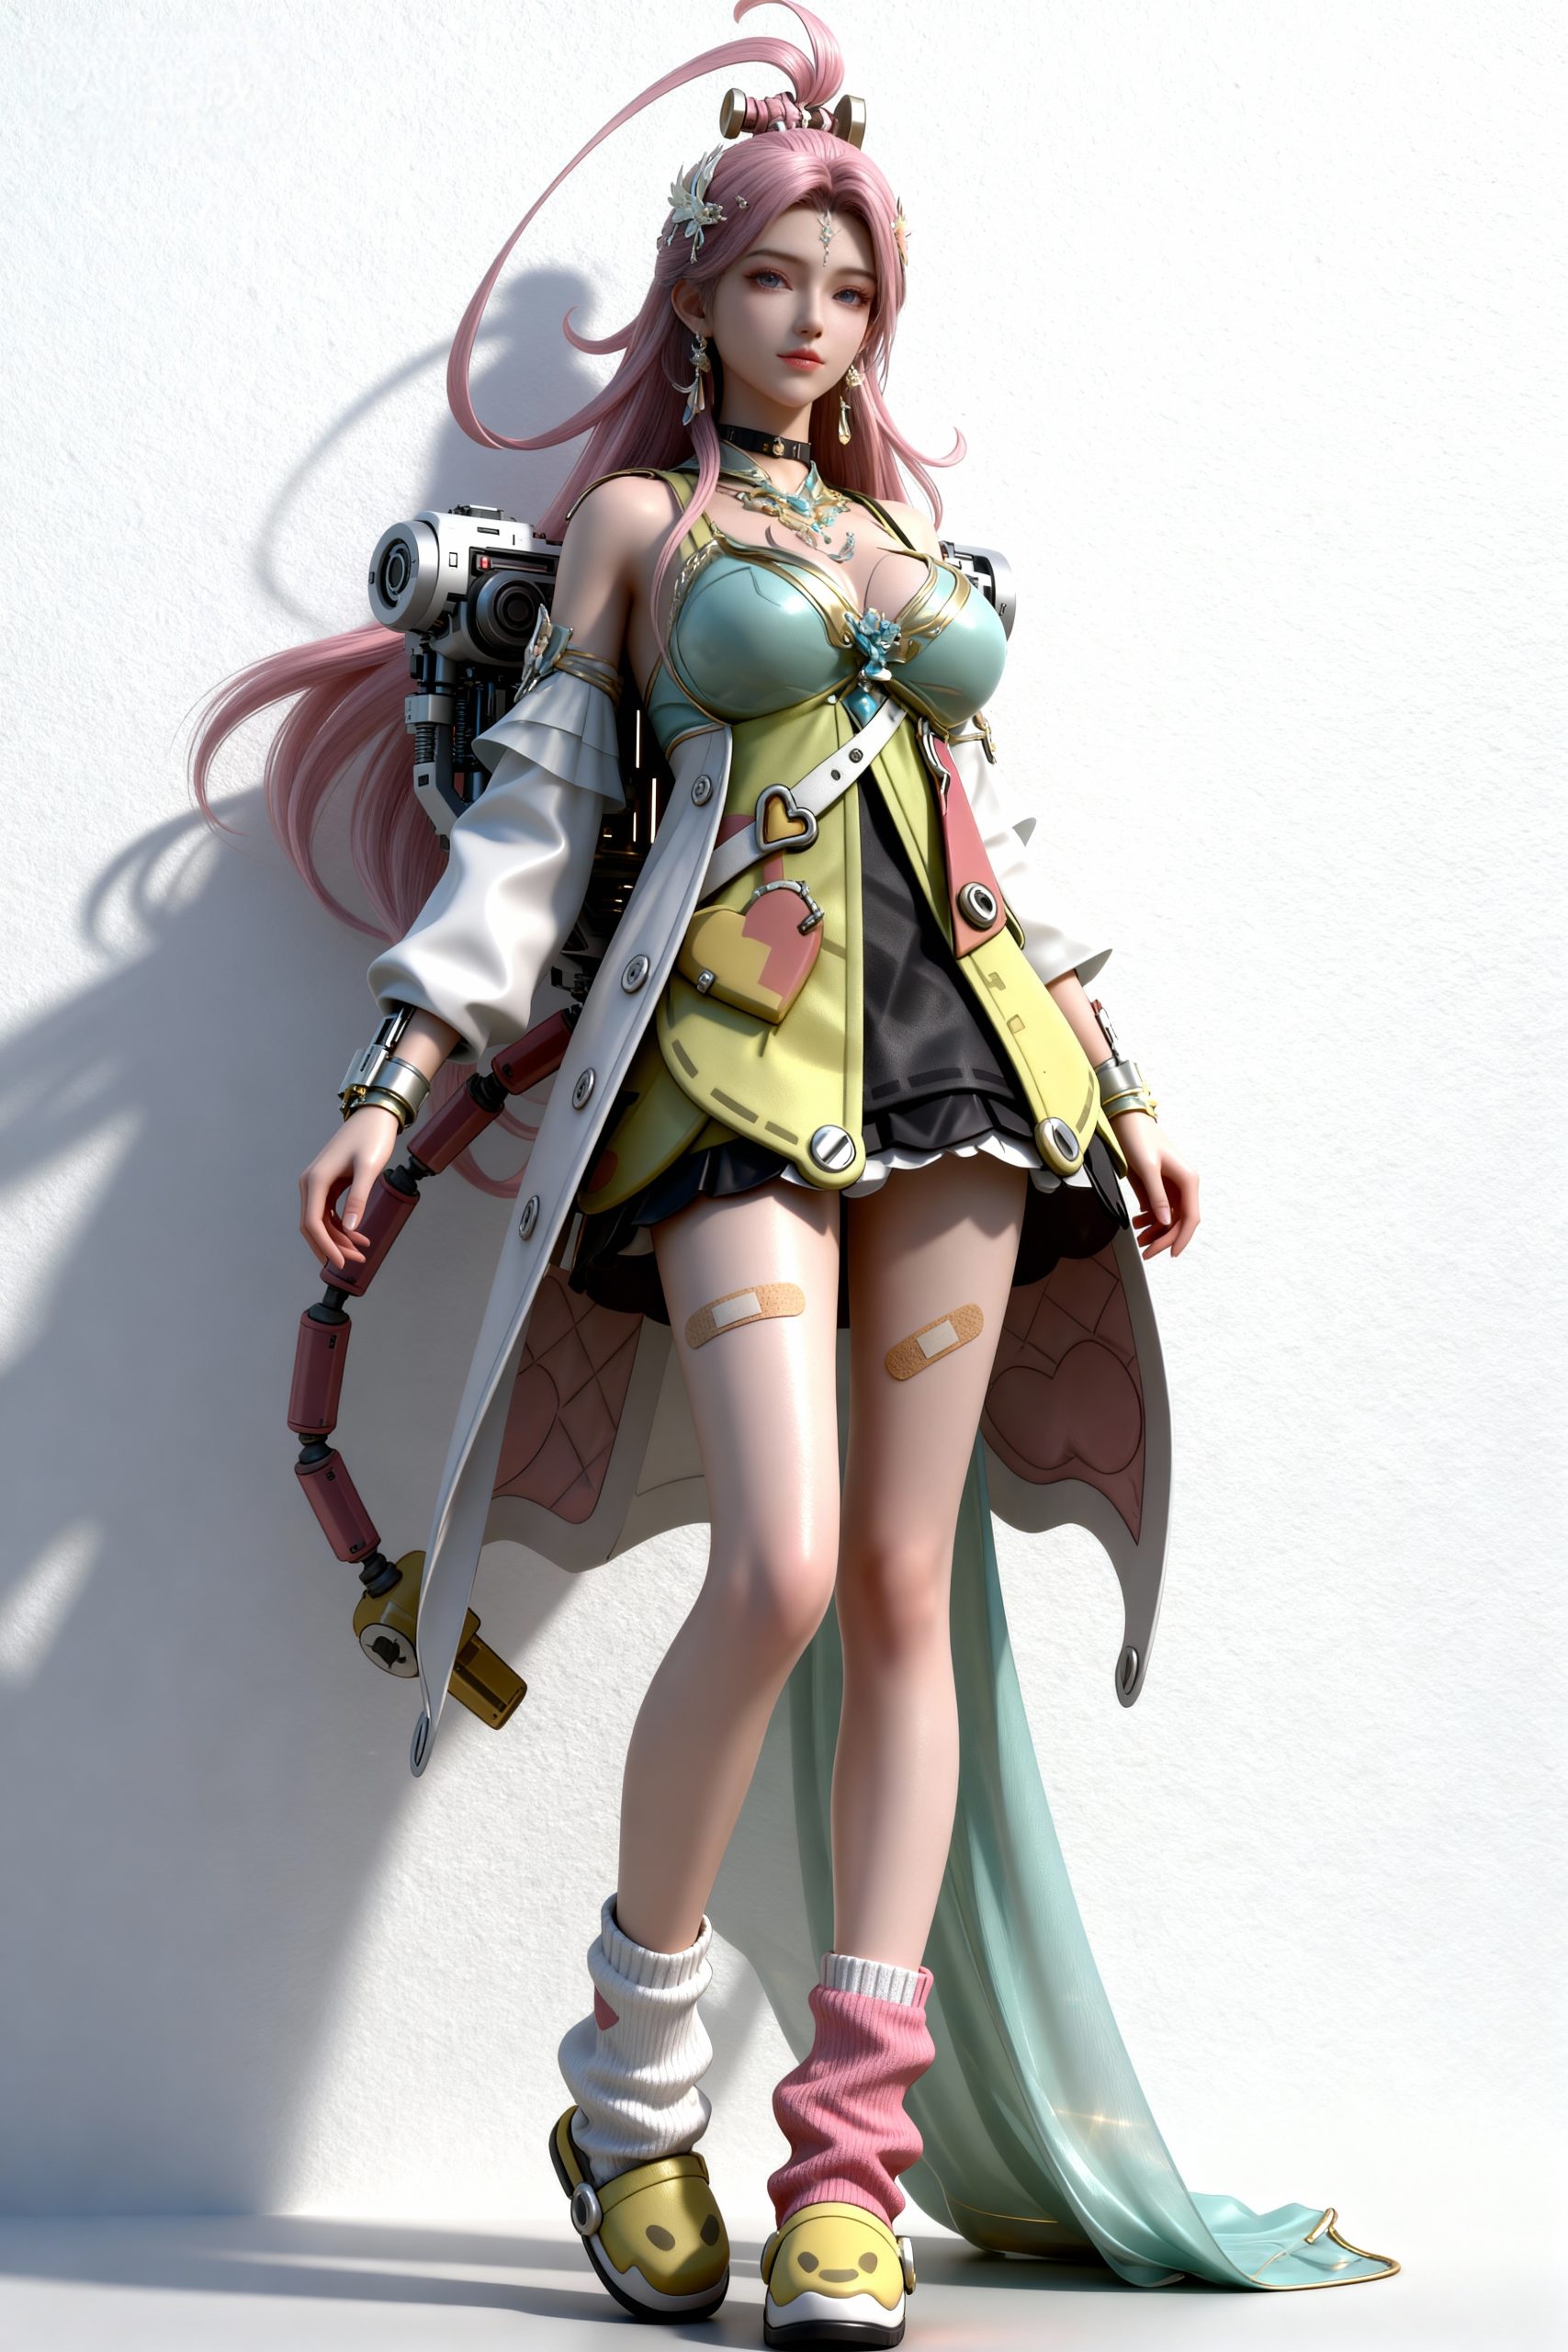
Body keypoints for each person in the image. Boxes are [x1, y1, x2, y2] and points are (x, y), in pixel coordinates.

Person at [191, 6, 1397, 2341]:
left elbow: (991, 838)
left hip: (966, 1074)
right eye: (772, 276)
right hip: (726, 1075)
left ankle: (847, 2157)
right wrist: (398, 1065)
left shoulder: (901, 541)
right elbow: (539, 824)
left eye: (848, 286)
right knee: (782, 1561)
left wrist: (1118, 1075)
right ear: (704, 295)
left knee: (909, 1589)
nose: (812, 318)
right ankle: (629, 2096)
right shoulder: (643, 532)